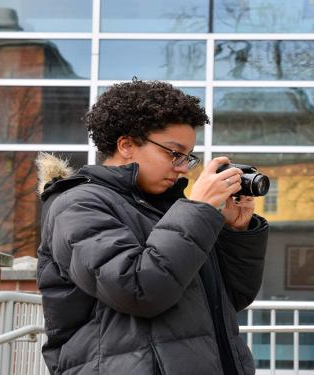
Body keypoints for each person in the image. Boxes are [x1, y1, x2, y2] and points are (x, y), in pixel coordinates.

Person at [36, 80, 269, 375]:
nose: (184, 167)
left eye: (188, 156)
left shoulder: (171, 208)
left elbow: (230, 298)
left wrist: (236, 231)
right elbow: (137, 290)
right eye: (174, 153)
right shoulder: (77, 204)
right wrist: (198, 211)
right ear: (127, 145)